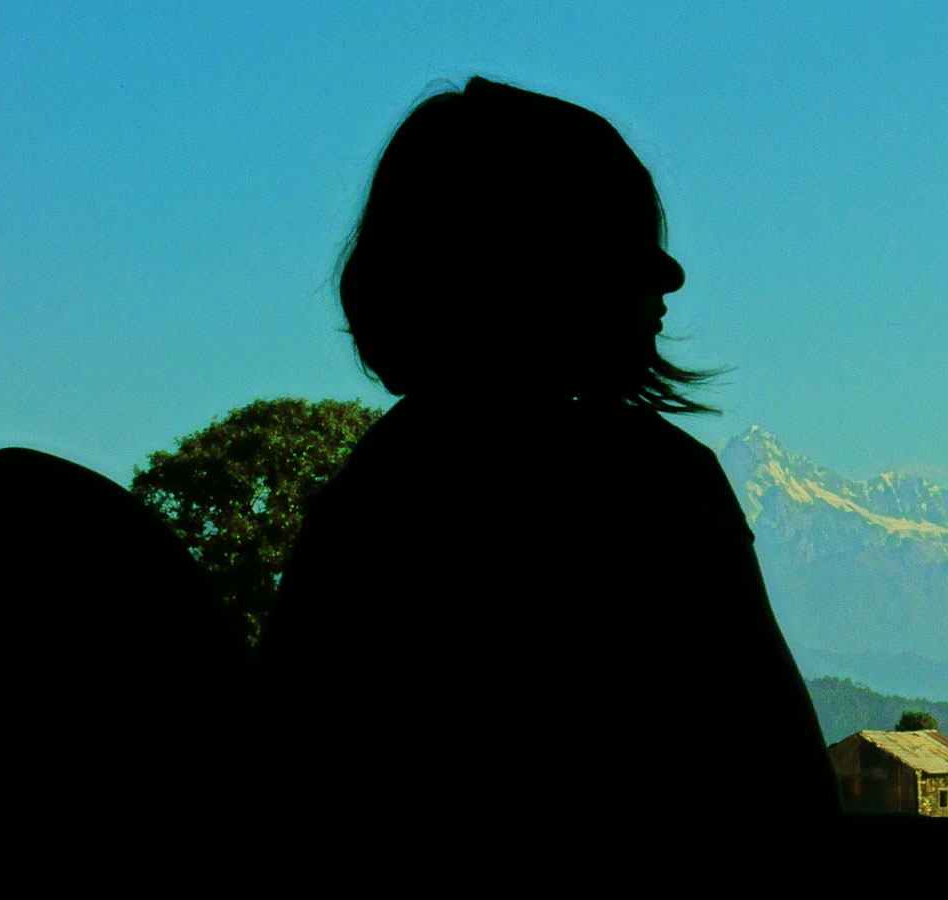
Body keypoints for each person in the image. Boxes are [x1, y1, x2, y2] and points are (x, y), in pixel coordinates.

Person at [259, 77, 840, 818]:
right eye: (626, 239)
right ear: (544, 264)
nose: (670, 274)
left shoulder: (372, 489)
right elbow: (786, 791)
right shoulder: (645, 484)